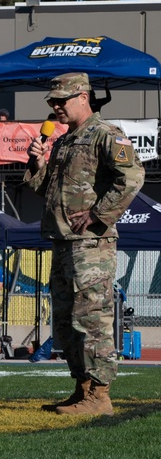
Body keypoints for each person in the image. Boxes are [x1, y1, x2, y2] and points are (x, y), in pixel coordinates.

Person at [25, 72, 144, 415]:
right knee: (65, 320)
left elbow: (133, 176)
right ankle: (83, 389)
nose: (55, 106)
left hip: (91, 245)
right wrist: (38, 161)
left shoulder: (106, 135)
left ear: (82, 97)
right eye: (52, 101)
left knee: (91, 318)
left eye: (61, 100)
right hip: (62, 240)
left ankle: (100, 396)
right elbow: (46, 189)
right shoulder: (64, 140)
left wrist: (98, 215)